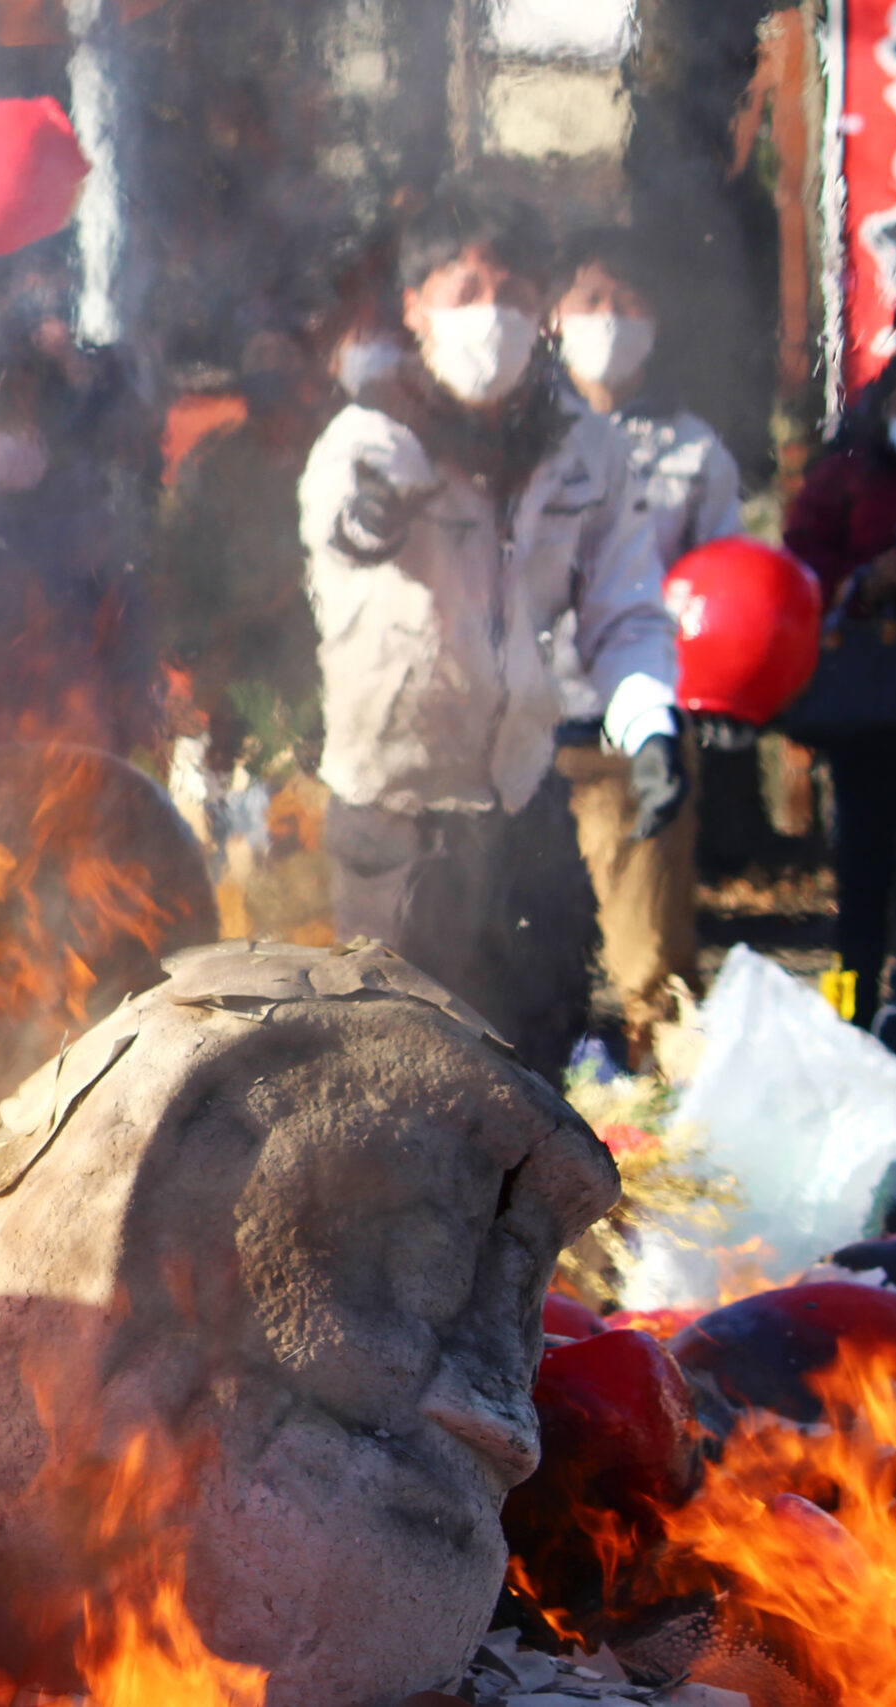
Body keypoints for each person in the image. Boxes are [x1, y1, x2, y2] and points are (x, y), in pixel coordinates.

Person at [298, 188, 681, 1076]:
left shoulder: (587, 450)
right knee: (393, 1082)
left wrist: (648, 716)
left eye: (511, 292)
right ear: (415, 306)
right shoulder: (369, 441)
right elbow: (350, 548)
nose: (491, 316)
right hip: (394, 820)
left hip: (520, 803)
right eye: (464, 288)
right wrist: (378, 513)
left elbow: (624, 607)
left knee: (533, 1074)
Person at [548, 226, 739, 1066]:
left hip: (635, 739)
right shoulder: (523, 439)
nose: (609, 319)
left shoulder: (695, 451)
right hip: (520, 738)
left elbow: (726, 589)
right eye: (591, 301)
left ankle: (657, 1143)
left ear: (654, 320)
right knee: (518, 973)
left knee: (654, 974)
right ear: (553, 315)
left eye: (626, 303)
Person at [782, 357, 896, 1044]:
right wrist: (866, 581)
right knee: (860, 877)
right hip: (869, 713)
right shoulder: (848, 469)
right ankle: (847, 1010)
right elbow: (798, 562)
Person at [156, 329, 325, 761]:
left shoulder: (325, 456)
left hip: (304, 641)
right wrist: (198, 638)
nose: (277, 415)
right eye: (266, 400)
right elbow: (182, 553)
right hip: (233, 641)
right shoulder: (213, 464)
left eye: (284, 397)